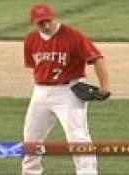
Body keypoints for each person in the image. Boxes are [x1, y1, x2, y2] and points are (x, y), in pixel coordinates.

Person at [22, 3, 110, 175]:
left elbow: (97, 59)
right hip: (40, 92)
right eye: (41, 23)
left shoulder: (73, 36)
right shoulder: (31, 39)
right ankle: (30, 173)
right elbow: (36, 66)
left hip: (69, 92)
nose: (46, 25)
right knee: (31, 138)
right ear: (34, 22)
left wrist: (105, 86)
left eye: (48, 21)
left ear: (54, 17)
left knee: (78, 138)